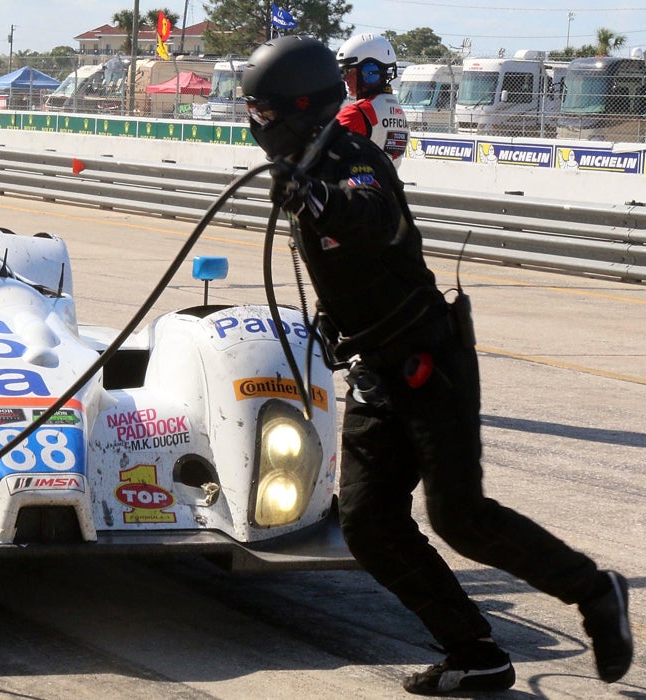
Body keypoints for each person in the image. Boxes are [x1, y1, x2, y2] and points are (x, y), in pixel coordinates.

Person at [240, 35, 632, 696]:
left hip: (428, 361)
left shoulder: (350, 161)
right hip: (375, 371)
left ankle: (596, 592)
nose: (258, 125)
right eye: (253, 113)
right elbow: (353, 268)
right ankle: (474, 652)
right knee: (368, 525)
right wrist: (334, 327)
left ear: (302, 108)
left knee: (460, 518)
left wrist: (317, 199)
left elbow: (368, 218)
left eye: (266, 113)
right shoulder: (304, 167)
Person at [335, 33, 409, 167]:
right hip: (386, 186)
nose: (345, 79)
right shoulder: (398, 111)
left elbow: (317, 148)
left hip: (358, 186)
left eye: (348, 71)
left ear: (370, 72)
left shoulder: (358, 112)